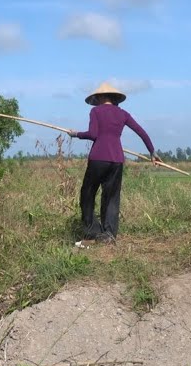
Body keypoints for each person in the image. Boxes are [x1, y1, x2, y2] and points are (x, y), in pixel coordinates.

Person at [66, 82, 158, 245]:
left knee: (87, 194)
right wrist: (152, 152)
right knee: (111, 197)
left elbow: (94, 134)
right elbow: (141, 132)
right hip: (116, 159)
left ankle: (92, 232)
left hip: (98, 158)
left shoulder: (95, 111)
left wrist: (76, 134)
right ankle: (108, 234)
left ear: (100, 97)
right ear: (114, 98)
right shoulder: (123, 114)